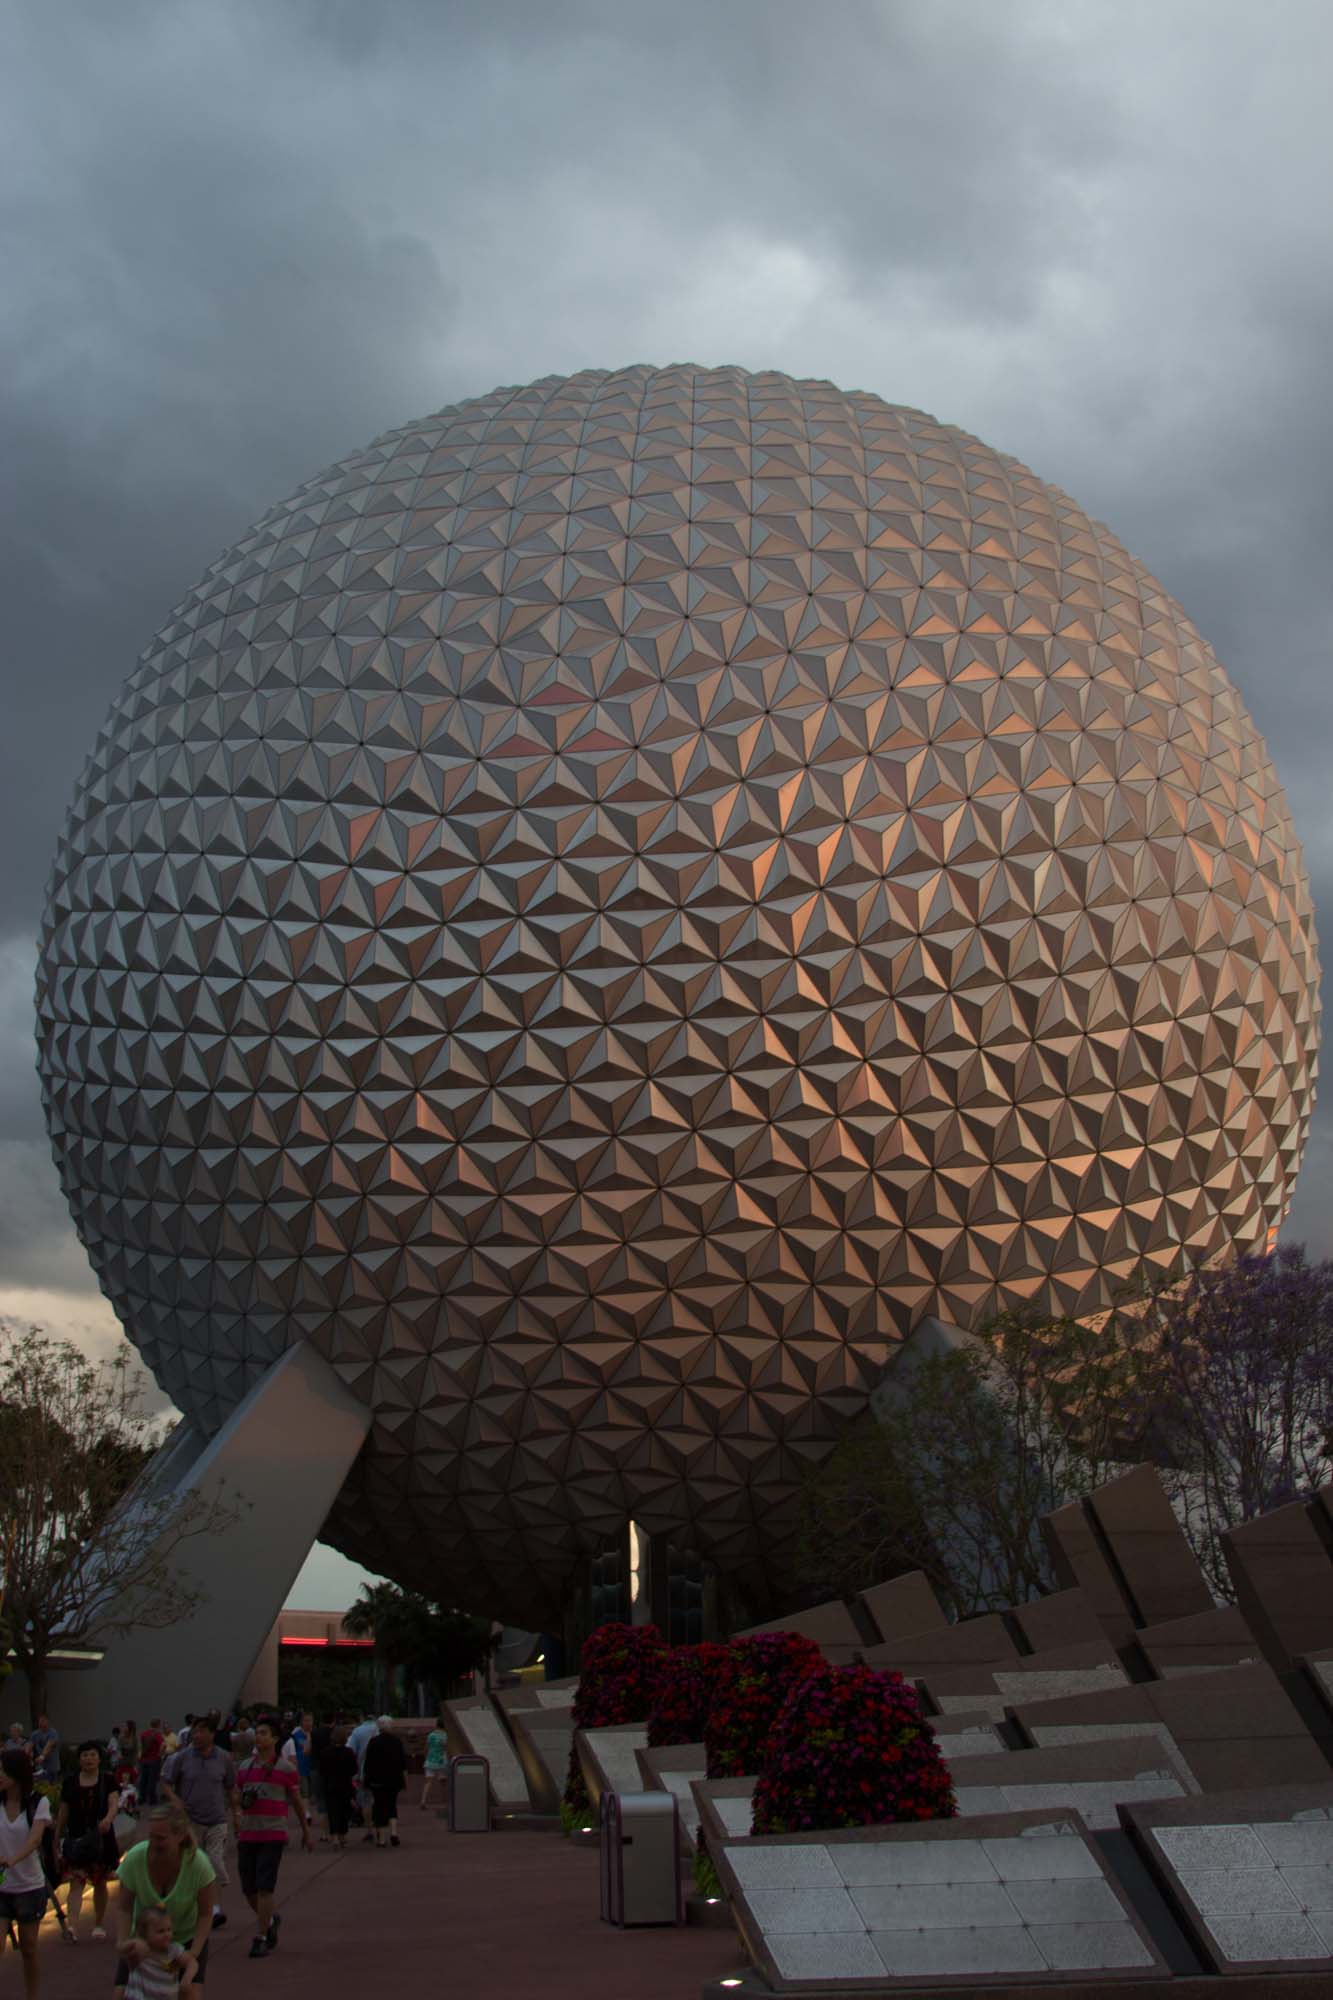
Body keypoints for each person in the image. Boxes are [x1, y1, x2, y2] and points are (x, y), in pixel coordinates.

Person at [114, 1805, 214, 1995]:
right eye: (150, 1836)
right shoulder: (135, 1858)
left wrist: (192, 1954)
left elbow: (205, 1914)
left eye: (160, 1839)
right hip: (144, 1939)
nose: (153, 1843)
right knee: (120, 1992)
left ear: (180, 1836)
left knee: (190, 1992)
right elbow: (124, 1908)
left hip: (186, 1938)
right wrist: (123, 1942)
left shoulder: (199, 1865)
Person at [235, 1716, 311, 1959]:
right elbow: (237, 1796)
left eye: (264, 1733)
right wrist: (236, 1814)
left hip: (273, 1832)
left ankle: (261, 1936)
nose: (259, 1737)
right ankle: (269, 1919)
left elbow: (297, 1802)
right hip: (248, 1831)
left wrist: (306, 1831)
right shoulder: (245, 1766)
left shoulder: (286, 1769)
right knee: (249, 1889)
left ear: (275, 1739)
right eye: (257, 1732)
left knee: (265, 1886)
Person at [161, 1715, 237, 1912]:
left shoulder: (224, 1758)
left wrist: (236, 1814)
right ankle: (192, 1905)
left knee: (213, 1860)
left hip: (217, 1819)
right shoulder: (182, 1757)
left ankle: (215, 1907)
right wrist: (175, 1799)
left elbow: (231, 1787)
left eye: (202, 1731)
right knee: (192, 1863)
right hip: (190, 1820)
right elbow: (166, 1783)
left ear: (213, 1734)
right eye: (195, 1732)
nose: (197, 1736)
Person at [55, 1739, 120, 1940]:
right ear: (79, 1760)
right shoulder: (70, 1782)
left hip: (101, 1840)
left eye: (93, 1755)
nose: (89, 1759)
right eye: (84, 1755)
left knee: (100, 1882)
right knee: (76, 1882)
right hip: (77, 1839)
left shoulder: (107, 1780)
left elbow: (114, 1803)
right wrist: (57, 1834)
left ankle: (98, 1924)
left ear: (100, 1758)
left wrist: (108, 1820)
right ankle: (72, 1927)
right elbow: (64, 1810)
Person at [0, 1746, 49, 1997]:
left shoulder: (38, 1802)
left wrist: (12, 1859)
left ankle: (33, 1995)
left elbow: (35, 1839)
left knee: (29, 1948)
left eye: (3, 1770)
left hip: (29, 1886)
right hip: (1, 1886)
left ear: (16, 1773)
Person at [113, 1903, 199, 2000]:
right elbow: (122, 1950)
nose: (167, 1934)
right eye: (161, 1931)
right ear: (144, 1933)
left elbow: (192, 1962)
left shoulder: (174, 1950)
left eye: (169, 1929)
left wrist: (187, 1977)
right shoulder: (139, 1951)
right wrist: (134, 1942)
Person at [362, 1715, 406, 1849]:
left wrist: (366, 1780)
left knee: (379, 1807)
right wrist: (404, 1780)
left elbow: (368, 1763)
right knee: (392, 1805)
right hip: (394, 1779)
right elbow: (402, 1763)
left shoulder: (373, 1742)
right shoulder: (397, 1741)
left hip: (377, 1780)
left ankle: (381, 1839)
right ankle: (394, 1832)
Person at [317, 1727, 357, 1851]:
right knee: (344, 1812)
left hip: (330, 1785)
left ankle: (334, 1837)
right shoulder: (349, 1752)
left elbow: (321, 1771)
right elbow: (354, 1770)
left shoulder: (325, 1752)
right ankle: (342, 1836)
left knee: (333, 1812)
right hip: (345, 1785)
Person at [346, 1712, 377, 1836]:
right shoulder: (380, 1730)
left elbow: (350, 1750)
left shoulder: (357, 1731)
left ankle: (369, 1828)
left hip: (363, 1771)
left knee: (365, 1800)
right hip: (380, 1772)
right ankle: (381, 1828)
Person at [280, 1712, 314, 1824]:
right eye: (306, 1720)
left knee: (309, 1792)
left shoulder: (315, 1734)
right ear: (301, 1722)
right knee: (304, 1792)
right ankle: (306, 1813)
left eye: (310, 1720)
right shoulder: (296, 1735)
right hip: (301, 1766)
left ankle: (306, 1812)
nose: (308, 1723)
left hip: (312, 1767)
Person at [419, 1712, 449, 1813]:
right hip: (441, 1761)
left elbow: (426, 1748)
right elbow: (446, 1748)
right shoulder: (445, 1735)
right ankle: (446, 1801)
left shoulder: (431, 1735)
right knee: (443, 1781)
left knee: (428, 1782)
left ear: (436, 1724)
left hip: (430, 1760)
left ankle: (423, 1800)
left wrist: (425, 1757)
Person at [138, 1719, 166, 1808]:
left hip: (144, 1760)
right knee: (152, 1780)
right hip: (154, 1760)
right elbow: (163, 1745)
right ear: (158, 1725)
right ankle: (152, 1799)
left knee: (143, 1780)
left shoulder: (143, 1734)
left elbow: (140, 1746)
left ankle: (141, 1798)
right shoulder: (157, 1734)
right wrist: (160, 1754)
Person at [28, 1715, 60, 1782]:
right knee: (40, 1785)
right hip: (40, 1766)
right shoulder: (34, 1734)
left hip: (52, 1766)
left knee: (53, 1786)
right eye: (39, 1721)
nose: (40, 1723)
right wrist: (27, 1756)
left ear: (48, 1722)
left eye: (43, 1721)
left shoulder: (53, 1733)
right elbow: (29, 1746)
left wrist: (41, 1757)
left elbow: (49, 1746)